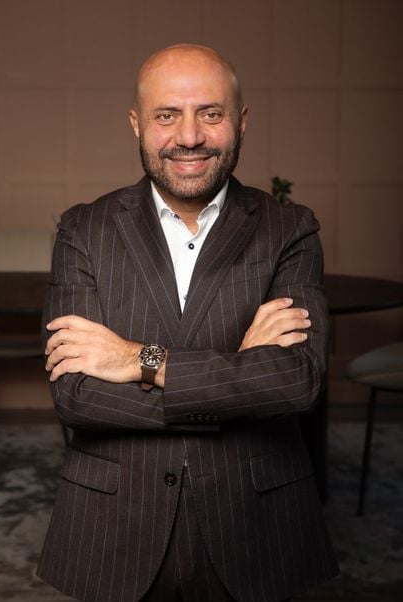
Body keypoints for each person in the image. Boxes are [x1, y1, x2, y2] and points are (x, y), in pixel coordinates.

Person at [37, 44, 339, 602]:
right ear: (137, 123)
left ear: (241, 121)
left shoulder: (290, 228)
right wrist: (240, 376)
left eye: (211, 113)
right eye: (167, 115)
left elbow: (295, 382)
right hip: (114, 526)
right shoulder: (84, 230)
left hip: (255, 524)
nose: (190, 136)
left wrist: (137, 360)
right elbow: (76, 396)